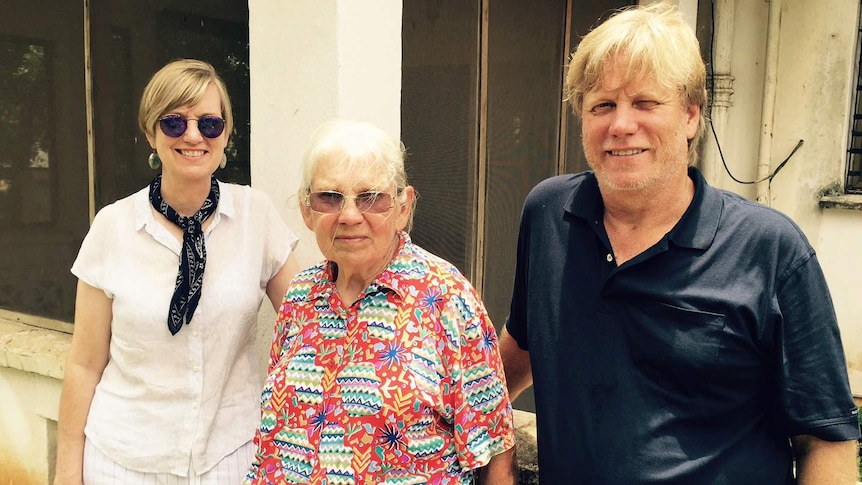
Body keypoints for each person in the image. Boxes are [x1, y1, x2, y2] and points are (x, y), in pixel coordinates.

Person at [499, 3, 860, 484]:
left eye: (645, 103)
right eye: (602, 105)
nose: (621, 125)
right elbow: (520, 347)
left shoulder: (770, 250)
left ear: (691, 116)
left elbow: (826, 439)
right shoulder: (548, 215)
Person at [54, 58, 300, 484]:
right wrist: (65, 473)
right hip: (123, 460)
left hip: (231, 456)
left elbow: (309, 324)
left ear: (226, 136)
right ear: (151, 133)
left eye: (209, 124)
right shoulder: (113, 227)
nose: (192, 136)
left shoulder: (255, 216)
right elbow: (84, 364)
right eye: (173, 123)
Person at [243, 120, 517, 484]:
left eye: (372, 198)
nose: (350, 215)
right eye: (330, 197)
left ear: (403, 207)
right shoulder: (300, 296)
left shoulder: (447, 298)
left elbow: (495, 451)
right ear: (307, 210)